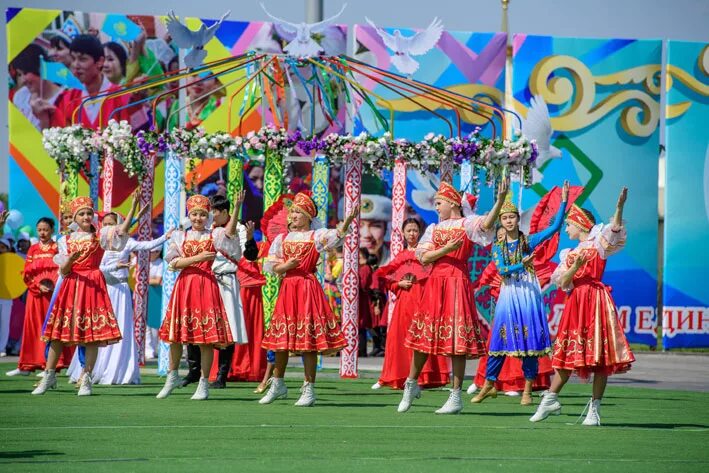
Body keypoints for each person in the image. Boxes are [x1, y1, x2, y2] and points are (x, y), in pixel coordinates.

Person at [397, 179, 508, 415]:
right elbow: (424, 258)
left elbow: (487, 224)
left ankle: (456, 395)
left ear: (451, 202)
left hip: (457, 281)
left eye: (439, 203)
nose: (436, 207)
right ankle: (411, 383)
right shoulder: (434, 229)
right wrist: (446, 250)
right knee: (424, 336)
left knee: (457, 340)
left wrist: (499, 201)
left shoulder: (467, 223)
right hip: (436, 282)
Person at [531, 188, 632, 426]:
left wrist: (619, 207)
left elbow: (615, 229)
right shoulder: (570, 254)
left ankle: (594, 409)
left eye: (569, 225)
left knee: (599, 357)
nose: (566, 229)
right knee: (568, 353)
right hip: (576, 302)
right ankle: (550, 399)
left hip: (596, 300)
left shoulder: (599, 243)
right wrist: (575, 267)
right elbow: (563, 283)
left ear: (580, 224)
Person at [31, 192, 142, 396]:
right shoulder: (64, 241)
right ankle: (49, 375)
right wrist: (70, 260)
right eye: (81, 214)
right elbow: (63, 271)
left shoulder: (100, 236)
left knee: (91, 336)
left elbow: (122, 232)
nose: (85, 217)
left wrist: (133, 207)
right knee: (57, 335)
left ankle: (87, 377)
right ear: (74, 217)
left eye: (88, 213)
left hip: (92, 285)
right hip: (71, 286)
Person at [471, 182, 569, 406]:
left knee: (530, 343)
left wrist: (563, 202)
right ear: (501, 222)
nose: (508, 221)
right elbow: (503, 270)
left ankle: (527, 390)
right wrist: (521, 265)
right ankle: (489, 385)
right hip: (509, 294)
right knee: (499, 341)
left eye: (512, 217)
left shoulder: (528, 241)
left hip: (528, 294)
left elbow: (553, 229)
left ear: (517, 219)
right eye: (504, 218)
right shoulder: (498, 246)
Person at [259, 191, 358, 407]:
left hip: (307, 287)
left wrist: (348, 220)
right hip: (288, 288)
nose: (293, 215)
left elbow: (337, 236)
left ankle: (309, 388)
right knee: (281, 341)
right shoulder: (281, 239)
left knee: (308, 341)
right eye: (292, 211)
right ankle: (278, 383)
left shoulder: (316, 236)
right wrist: (286, 266)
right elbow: (272, 266)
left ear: (308, 216)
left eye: (298, 212)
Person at [155, 193, 243, 401]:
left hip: (206, 286)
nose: (198, 218)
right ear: (189, 215)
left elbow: (230, 234)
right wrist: (198, 258)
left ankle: (204, 383)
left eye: (202, 214)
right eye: (194, 214)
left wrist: (237, 208)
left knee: (205, 339)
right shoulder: (180, 236)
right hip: (185, 285)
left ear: (208, 216)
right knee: (176, 336)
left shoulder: (215, 235)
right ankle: (172, 375)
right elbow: (173, 263)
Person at [67, 211, 168, 385]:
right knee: (98, 328)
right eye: (105, 223)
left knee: (119, 328)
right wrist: (115, 266)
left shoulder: (126, 242)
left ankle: (117, 371)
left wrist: (167, 236)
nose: (108, 227)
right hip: (101, 289)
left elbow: (147, 245)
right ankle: (89, 370)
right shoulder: (98, 242)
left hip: (120, 291)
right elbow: (96, 268)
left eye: (111, 223)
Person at [373, 218, 450, 390]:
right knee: (399, 340)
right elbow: (387, 279)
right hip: (404, 303)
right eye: (409, 230)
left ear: (420, 233)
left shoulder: (426, 254)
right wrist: (398, 284)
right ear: (403, 233)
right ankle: (395, 377)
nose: (412, 234)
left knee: (422, 337)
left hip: (423, 301)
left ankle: (423, 377)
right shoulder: (400, 256)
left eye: (415, 230)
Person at [6, 218, 59, 376]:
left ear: (52, 230)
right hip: (35, 295)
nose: (42, 233)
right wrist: (37, 285)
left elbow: (62, 270)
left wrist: (52, 285)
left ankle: (48, 365)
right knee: (31, 328)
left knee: (50, 329)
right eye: (40, 230)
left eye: (46, 229)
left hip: (52, 295)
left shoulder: (57, 248)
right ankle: (26, 365)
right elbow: (27, 273)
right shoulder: (33, 249)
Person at [10, 44, 67, 130]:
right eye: (19, 74)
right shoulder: (20, 96)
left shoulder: (64, 100)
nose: (23, 80)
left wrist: (43, 120)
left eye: (25, 73)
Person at [146, 248, 164, 359]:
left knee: (155, 325)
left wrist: (143, 279)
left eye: (153, 252)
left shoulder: (160, 263)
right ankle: (148, 349)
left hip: (156, 295)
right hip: (146, 294)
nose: (151, 254)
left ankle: (155, 349)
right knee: (146, 325)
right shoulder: (144, 262)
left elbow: (157, 281)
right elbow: (133, 276)